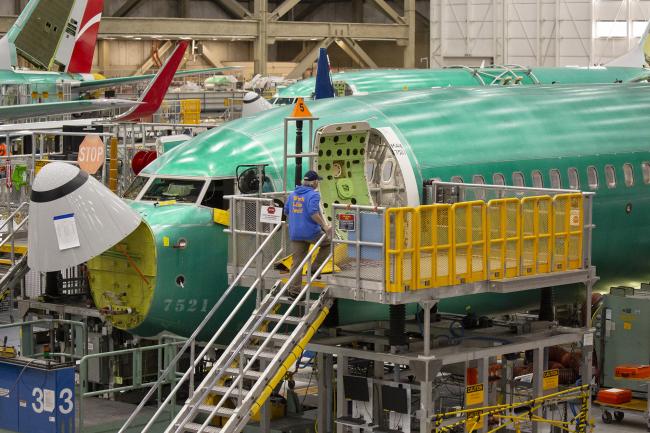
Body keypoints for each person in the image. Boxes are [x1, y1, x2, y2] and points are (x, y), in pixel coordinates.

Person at [284, 170, 332, 298]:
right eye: (318, 181)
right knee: (329, 244)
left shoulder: (292, 194)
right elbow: (313, 212)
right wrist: (325, 226)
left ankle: (294, 291)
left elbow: (286, 210)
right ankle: (315, 268)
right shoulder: (313, 195)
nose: (318, 183)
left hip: (295, 233)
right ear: (315, 182)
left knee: (297, 262)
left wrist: (297, 220)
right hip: (311, 232)